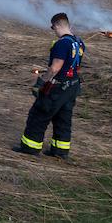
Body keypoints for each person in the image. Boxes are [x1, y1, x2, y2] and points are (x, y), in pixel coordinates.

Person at [14, 12, 83, 159]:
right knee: (63, 119)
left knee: (39, 115)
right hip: (72, 87)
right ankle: (60, 151)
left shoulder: (62, 43)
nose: (54, 31)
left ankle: (30, 148)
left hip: (57, 87)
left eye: (53, 28)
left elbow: (55, 68)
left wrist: (41, 82)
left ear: (57, 25)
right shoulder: (78, 42)